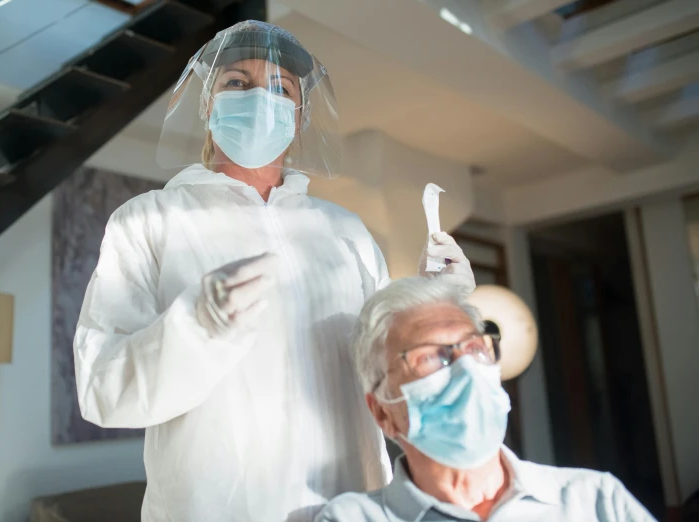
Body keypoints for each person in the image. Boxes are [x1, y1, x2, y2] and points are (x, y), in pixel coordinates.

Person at [73, 20, 474, 522]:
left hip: (351, 505)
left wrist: (433, 308)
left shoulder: (345, 232)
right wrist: (196, 328)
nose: (260, 99)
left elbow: (388, 375)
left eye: (280, 88)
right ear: (208, 105)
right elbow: (103, 391)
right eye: (237, 82)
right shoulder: (149, 219)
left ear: (300, 115)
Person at [316, 277, 656, 522]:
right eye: (431, 357)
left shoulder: (595, 501)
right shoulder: (351, 518)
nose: (467, 368)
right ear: (382, 413)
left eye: (476, 348)